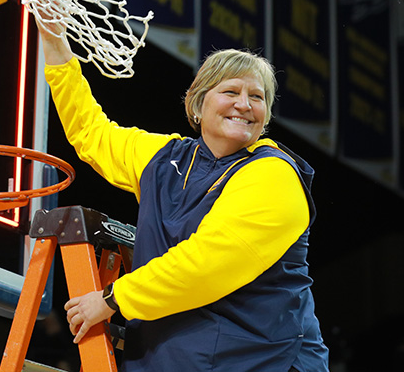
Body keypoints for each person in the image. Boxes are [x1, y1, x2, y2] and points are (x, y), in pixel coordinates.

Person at [36, 19, 329, 371]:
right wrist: (55, 44)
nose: (245, 104)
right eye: (231, 92)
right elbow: (90, 132)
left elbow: (206, 263)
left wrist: (114, 299)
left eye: (257, 97)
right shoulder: (164, 158)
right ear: (198, 102)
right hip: (174, 357)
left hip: (264, 360)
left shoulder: (275, 174)